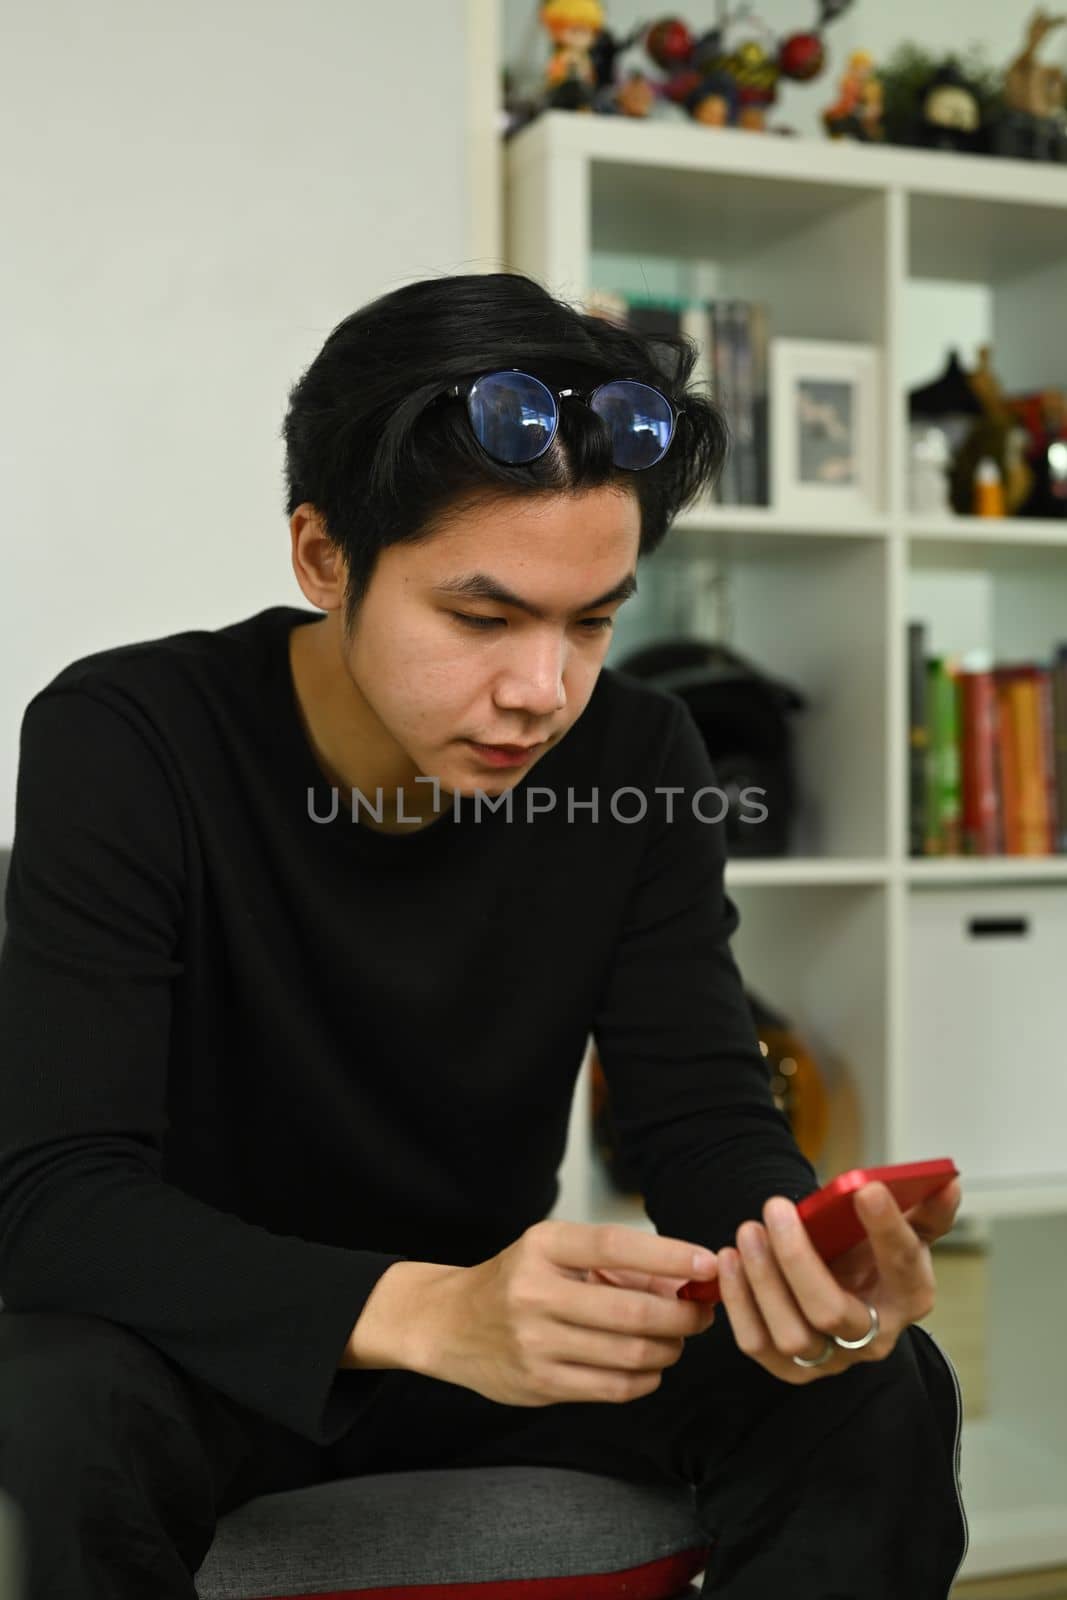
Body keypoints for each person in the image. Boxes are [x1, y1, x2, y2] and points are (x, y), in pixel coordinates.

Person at [0, 270, 967, 1598]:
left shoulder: (643, 753)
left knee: (878, 1384)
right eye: (482, 617)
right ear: (324, 556)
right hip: (213, 1353)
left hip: (504, 1354)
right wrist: (423, 1311)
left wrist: (801, 1263)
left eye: (594, 621)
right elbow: (54, 1201)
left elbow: (697, 1127)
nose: (541, 691)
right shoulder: (128, 738)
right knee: (47, 1396)